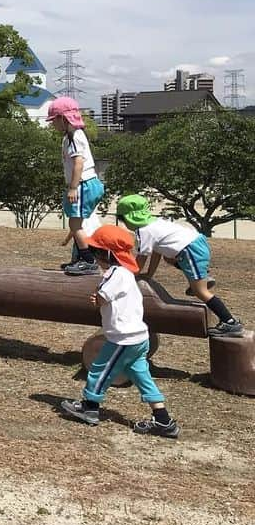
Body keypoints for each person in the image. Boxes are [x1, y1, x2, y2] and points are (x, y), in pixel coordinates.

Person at [59, 225, 180, 438]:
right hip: (138, 338)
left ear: (107, 254)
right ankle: (163, 419)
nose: (94, 256)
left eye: (96, 252)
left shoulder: (117, 274)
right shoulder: (125, 274)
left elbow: (103, 297)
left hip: (123, 339)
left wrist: (97, 299)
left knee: (100, 369)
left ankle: (90, 406)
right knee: (140, 375)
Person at [116, 194, 243, 337]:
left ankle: (230, 322)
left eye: (123, 220)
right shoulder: (155, 223)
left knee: (200, 292)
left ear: (129, 218)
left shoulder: (143, 231)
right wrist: (149, 274)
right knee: (168, 258)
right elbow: (156, 252)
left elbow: (141, 259)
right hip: (194, 245)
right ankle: (202, 277)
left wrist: (129, 274)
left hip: (190, 251)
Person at [47, 97, 105, 276]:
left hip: (83, 184)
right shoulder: (72, 135)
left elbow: (78, 163)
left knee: (75, 223)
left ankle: (88, 261)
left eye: (54, 120)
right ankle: (80, 257)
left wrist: (73, 187)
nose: (53, 124)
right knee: (77, 223)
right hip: (86, 183)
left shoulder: (74, 136)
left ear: (63, 118)